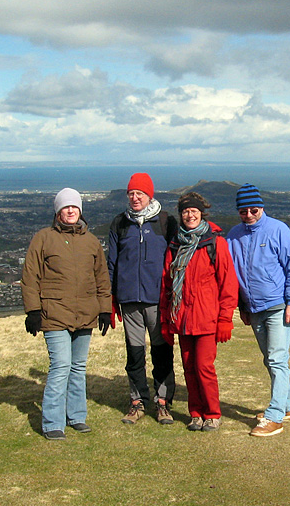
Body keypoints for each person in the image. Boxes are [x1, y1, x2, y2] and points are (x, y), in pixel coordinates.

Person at [21, 188, 112, 440]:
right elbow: (30, 277)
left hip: (85, 312)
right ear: (58, 211)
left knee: (78, 367)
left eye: (74, 207)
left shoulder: (91, 241)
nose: (70, 211)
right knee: (60, 366)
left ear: (80, 210)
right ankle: (52, 422)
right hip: (54, 312)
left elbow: (102, 278)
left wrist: (105, 309)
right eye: (65, 207)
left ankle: (77, 416)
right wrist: (33, 311)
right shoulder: (43, 238)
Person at [226, 184, 290, 437]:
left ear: (262, 207)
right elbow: (232, 274)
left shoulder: (278, 230)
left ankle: (274, 417)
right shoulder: (234, 235)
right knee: (270, 359)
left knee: (276, 359)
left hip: (278, 305)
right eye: (243, 211)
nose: (249, 214)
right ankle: (288, 406)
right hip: (253, 306)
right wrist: (242, 306)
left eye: (253, 209)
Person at [159, 192, 238, 432]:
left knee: (204, 367)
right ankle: (196, 413)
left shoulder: (215, 243)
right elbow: (167, 283)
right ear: (180, 215)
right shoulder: (176, 244)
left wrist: (225, 319)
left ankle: (212, 413)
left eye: (193, 211)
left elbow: (228, 283)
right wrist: (165, 320)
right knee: (189, 367)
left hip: (206, 318)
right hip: (182, 318)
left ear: (201, 213)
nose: (189, 215)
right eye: (185, 211)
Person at [105, 173, 178, 425]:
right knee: (134, 353)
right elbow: (111, 263)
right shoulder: (120, 223)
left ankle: (163, 402)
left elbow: (176, 259)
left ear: (150, 195)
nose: (135, 198)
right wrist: (112, 299)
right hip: (129, 299)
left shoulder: (166, 222)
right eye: (131, 194)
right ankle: (137, 401)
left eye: (140, 193)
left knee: (161, 352)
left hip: (157, 299)